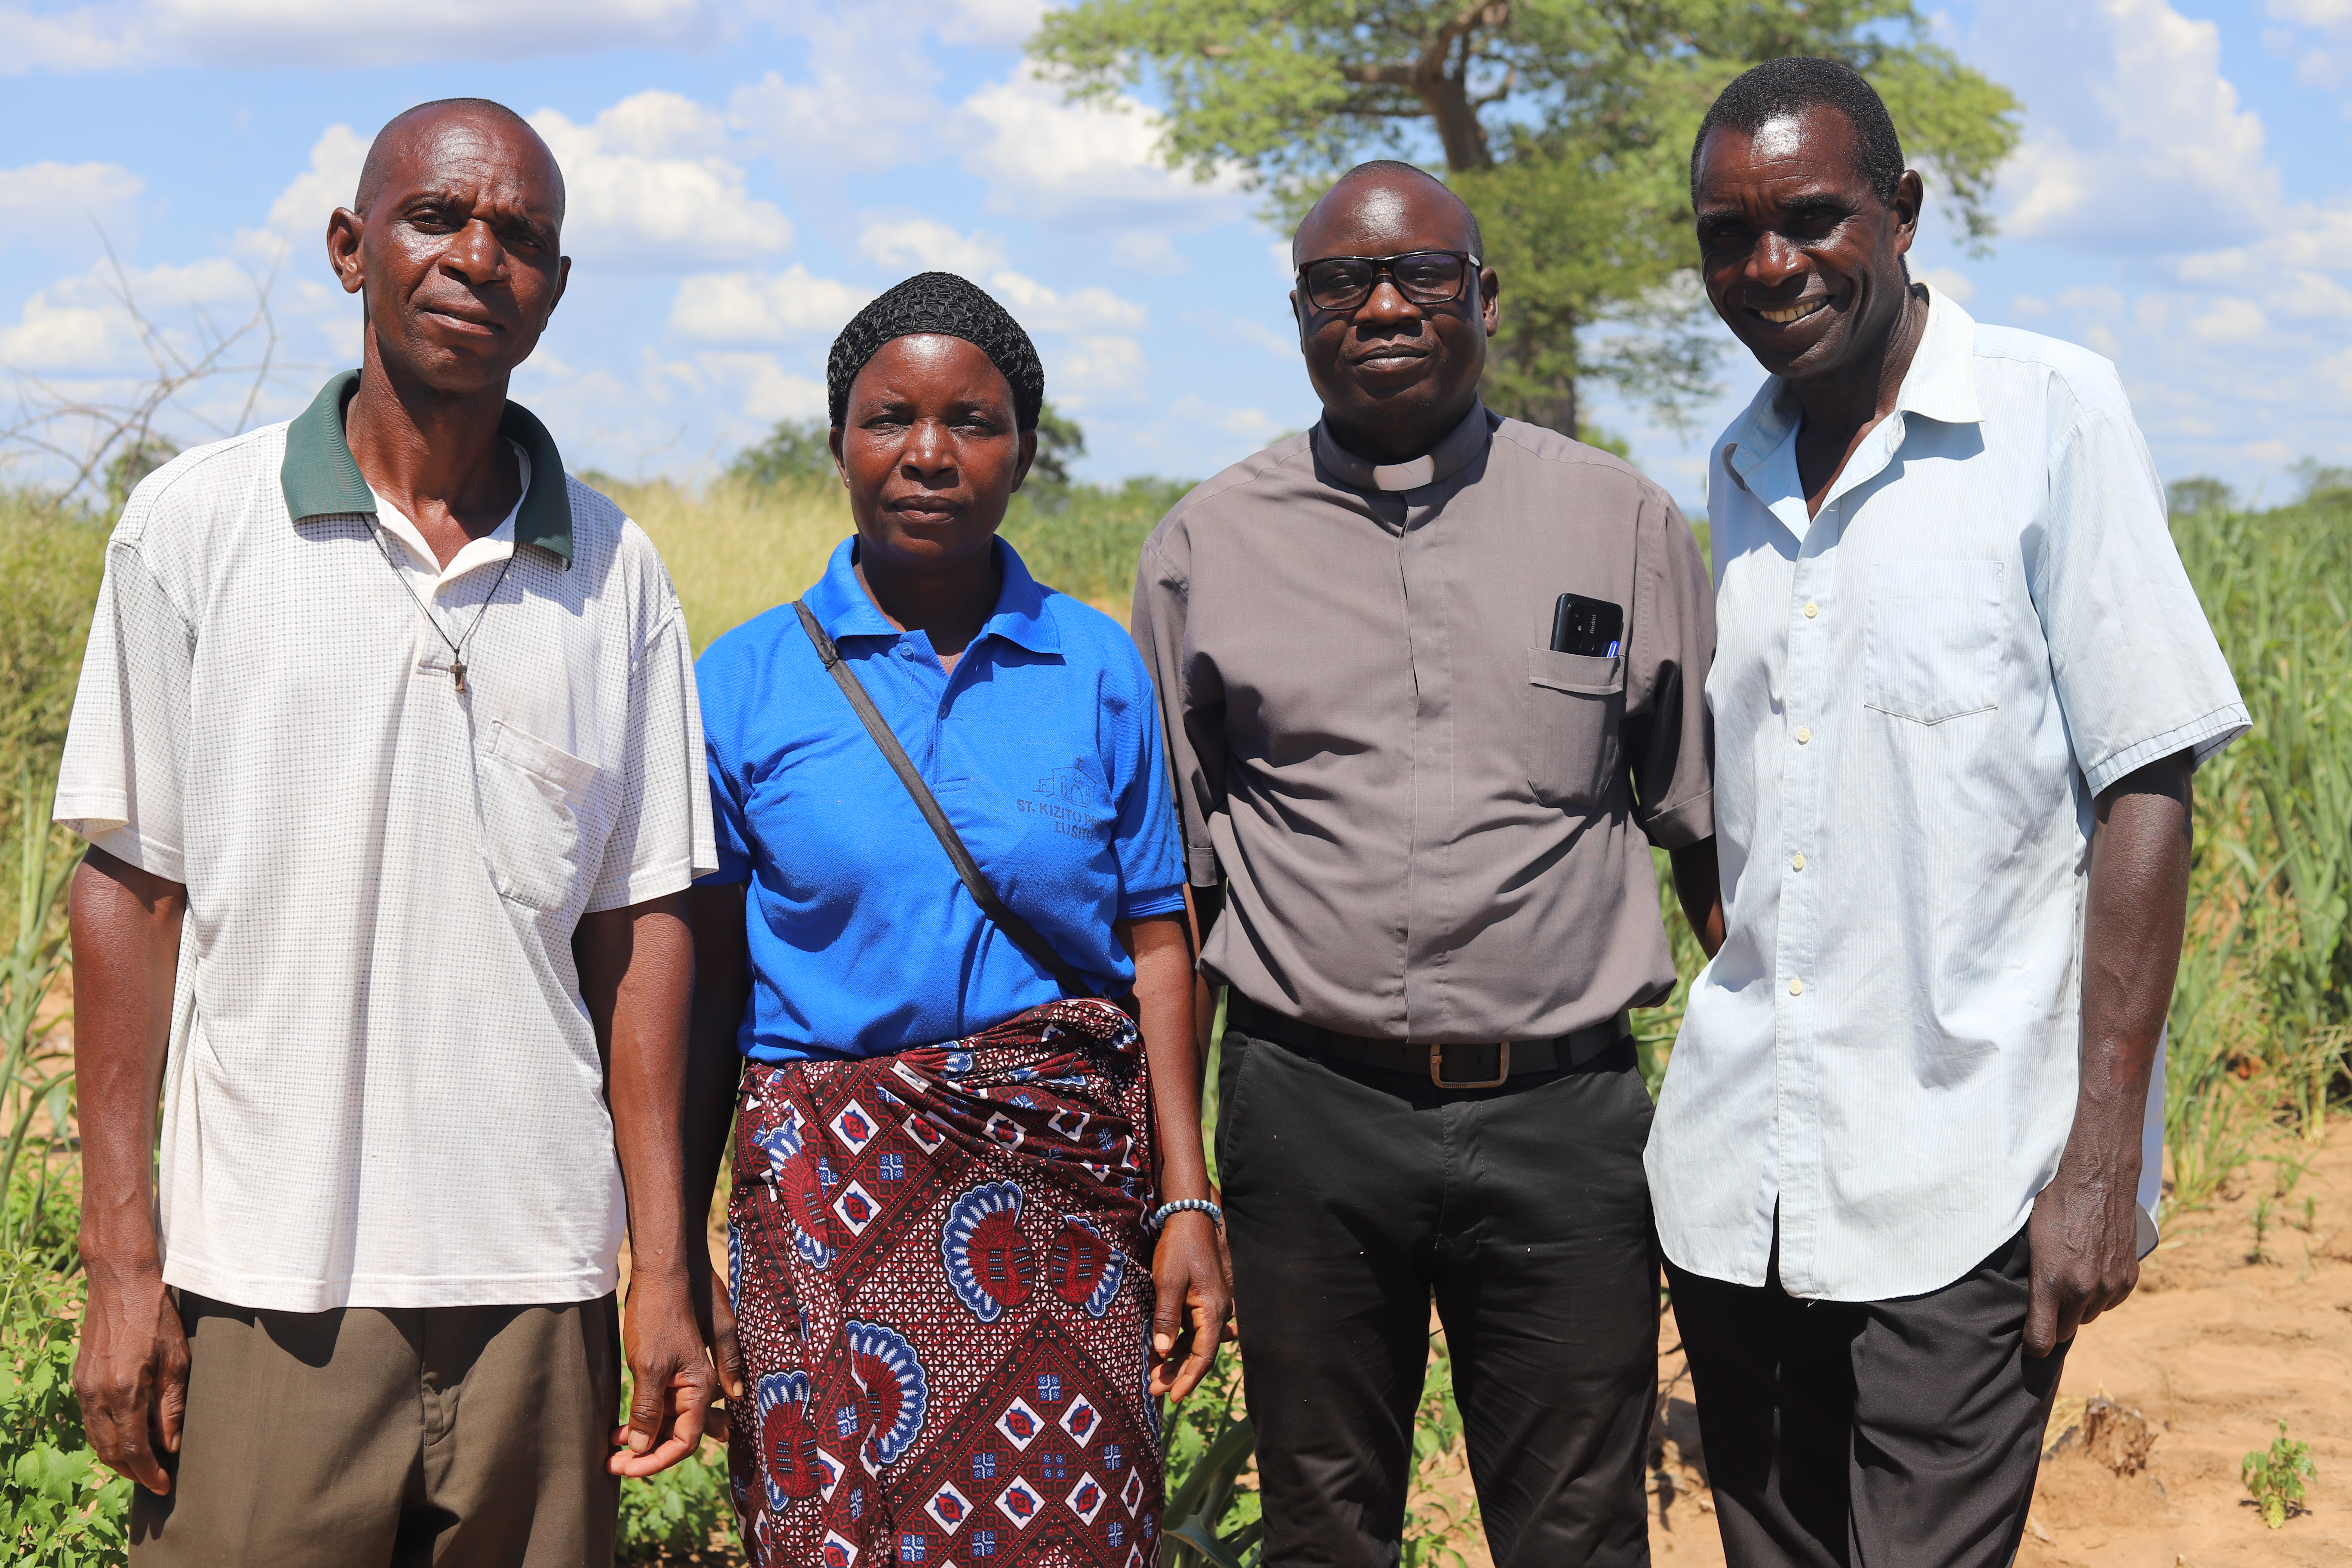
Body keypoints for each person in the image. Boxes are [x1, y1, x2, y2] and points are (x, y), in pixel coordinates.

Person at [58, 99, 721, 1566]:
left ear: (554, 291)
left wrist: (661, 1256)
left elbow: (643, 926)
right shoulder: (193, 529)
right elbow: (128, 889)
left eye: (523, 238)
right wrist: (122, 1257)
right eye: (438, 217)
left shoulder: (617, 573)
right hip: (265, 1282)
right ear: (353, 247)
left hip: (538, 1283)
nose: (478, 257)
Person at [1648, 57, 2249, 1568]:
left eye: (1811, 217)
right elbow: (1738, 809)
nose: (1771, 266)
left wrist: (2106, 1160)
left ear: (1902, 212)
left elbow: (2146, 783)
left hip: (1970, 1177)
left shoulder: (2049, 415)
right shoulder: (1735, 468)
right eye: (1731, 235)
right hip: (1746, 1182)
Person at [1132, 162, 1720, 1566]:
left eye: (1423, 275)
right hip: (1307, 1113)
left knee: (1575, 1530)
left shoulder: (1622, 527)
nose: (1384, 304)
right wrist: (1185, 1180)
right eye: (1343, 282)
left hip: (1563, 1120)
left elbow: (1708, 836)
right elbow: (1174, 891)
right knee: (1325, 1527)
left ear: (1487, 300)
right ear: (1298, 315)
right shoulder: (1206, 547)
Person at [683, 272, 1231, 1568]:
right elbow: (707, 989)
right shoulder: (745, 681)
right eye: (890, 419)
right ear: (839, 446)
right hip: (822, 1212)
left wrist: (1184, 1197)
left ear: (1025, 451)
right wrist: (678, 1247)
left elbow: (1162, 944)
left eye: (973, 421)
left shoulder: (1095, 665)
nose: (929, 453)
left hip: (1064, 1220)